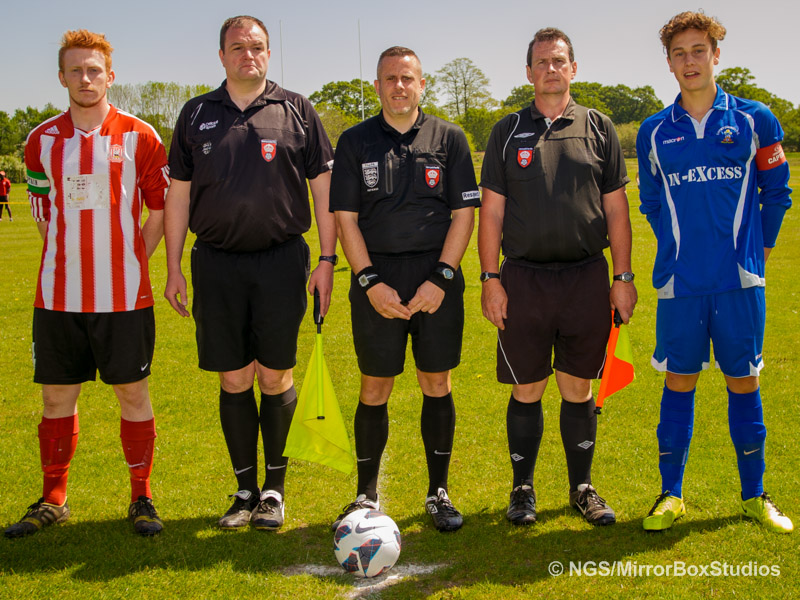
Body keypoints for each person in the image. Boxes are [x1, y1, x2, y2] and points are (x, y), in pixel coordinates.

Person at [164, 15, 336, 532]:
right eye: (238, 47)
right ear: (221, 56)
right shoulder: (196, 113)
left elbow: (324, 191)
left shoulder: (297, 109)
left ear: (269, 53)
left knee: (275, 375)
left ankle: (274, 491)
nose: (248, 55)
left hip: (281, 261)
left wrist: (327, 260)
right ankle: (244, 490)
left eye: (257, 47)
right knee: (234, 376)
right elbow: (178, 197)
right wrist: (173, 267)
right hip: (215, 263)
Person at [4, 29, 168, 538]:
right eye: (75, 70)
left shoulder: (141, 136)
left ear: (110, 76)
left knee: (133, 394)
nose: (85, 78)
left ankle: (141, 497)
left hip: (125, 296)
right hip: (58, 296)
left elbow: (160, 211)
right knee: (56, 399)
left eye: (94, 69)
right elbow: (43, 216)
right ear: (61, 77)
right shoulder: (40, 141)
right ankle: (53, 499)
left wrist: (131, 260)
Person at [637, 11, 793, 533]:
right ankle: (670, 496)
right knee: (678, 382)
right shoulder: (654, 131)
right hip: (680, 284)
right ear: (668, 62)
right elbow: (652, 203)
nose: (690, 61)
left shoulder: (755, 119)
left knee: (743, 380)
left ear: (716, 55)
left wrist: (757, 254)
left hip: (738, 283)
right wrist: (678, 249)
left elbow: (777, 194)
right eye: (679, 53)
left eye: (698, 50)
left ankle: (755, 496)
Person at [478, 28, 637, 526]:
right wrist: (489, 278)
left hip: (585, 277)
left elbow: (617, 210)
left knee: (577, 387)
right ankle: (522, 489)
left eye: (559, 60)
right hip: (523, 280)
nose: (551, 68)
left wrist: (623, 276)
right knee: (526, 387)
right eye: (542, 61)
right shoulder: (506, 132)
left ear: (573, 68)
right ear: (528, 72)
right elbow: (491, 213)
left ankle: (581, 488)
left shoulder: (599, 127)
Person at [330, 46, 480, 532]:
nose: (399, 86)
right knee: (375, 384)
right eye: (390, 78)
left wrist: (441, 278)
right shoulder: (354, 141)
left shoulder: (449, 137)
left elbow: (464, 214)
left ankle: (439, 491)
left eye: (407, 78)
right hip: (377, 276)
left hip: (435, 276)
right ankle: (365, 493)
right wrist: (369, 282)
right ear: (377, 86)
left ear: (421, 85)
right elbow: (345, 219)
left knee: (436, 381)